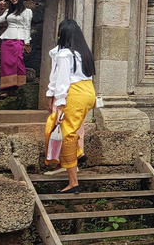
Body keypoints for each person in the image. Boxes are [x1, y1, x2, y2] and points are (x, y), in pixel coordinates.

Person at [44, 19, 96, 193]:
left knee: (66, 134)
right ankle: (79, 153)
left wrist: (58, 102)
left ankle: (73, 182)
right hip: (88, 92)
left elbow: (62, 80)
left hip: (74, 93)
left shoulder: (66, 54)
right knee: (71, 129)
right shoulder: (83, 53)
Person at [0, 0, 32, 96]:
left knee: (18, 62)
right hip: (7, 39)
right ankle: (8, 89)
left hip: (19, 39)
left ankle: (20, 87)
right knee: (6, 63)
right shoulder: (8, 11)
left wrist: (27, 43)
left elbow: (27, 27)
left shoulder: (27, 11)